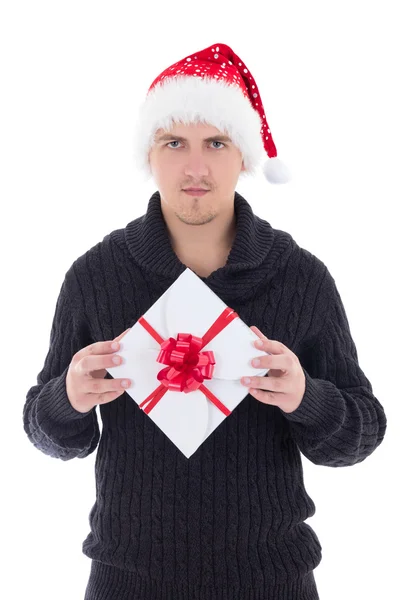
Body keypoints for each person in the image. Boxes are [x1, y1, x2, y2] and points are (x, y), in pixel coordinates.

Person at [23, 43, 387, 600]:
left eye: (216, 142)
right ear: (150, 153)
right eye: (175, 143)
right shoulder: (94, 276)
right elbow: (47, 432)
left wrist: (305, 397)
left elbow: (362, 434)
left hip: (273, 582)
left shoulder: (301, 277)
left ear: (243, 154)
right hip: (126, 582)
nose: (195, 167)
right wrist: (66, 398)